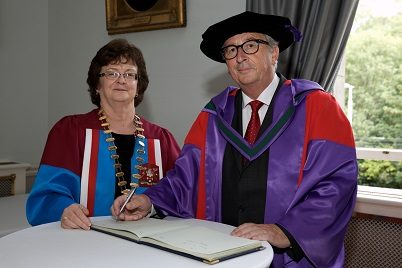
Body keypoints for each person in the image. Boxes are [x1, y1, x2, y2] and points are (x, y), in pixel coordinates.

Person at [111, 11, 358, 267]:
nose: (239, 57)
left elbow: (337, 182)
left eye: (250, 45)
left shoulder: (317, 106)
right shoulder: (214, 114)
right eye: (230, 50)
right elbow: (186, 177)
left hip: (288, 258)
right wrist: (149, 201)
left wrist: (286, 231)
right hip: (220, 254)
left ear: (274, 53)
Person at [26, 38, 181, 230]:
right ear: (97, 84)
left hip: (147, 244)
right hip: (84, 242)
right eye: (111, 73)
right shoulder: (70, 132)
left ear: (138, 86)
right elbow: (46, 195)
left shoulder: (161, 139)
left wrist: (151, 203)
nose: (121, 80)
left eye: (130, 74)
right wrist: (64, 209)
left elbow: (182, 191)